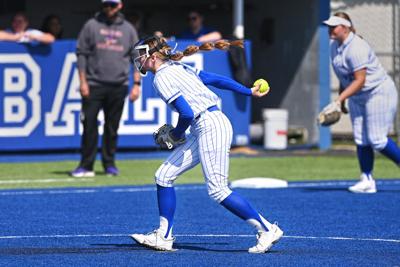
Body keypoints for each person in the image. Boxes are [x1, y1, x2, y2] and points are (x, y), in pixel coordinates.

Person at [129, 36, 283, 253]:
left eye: (141, 57)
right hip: (205, 125)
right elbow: (213, 78)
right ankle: (163, 237)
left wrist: (175, 134)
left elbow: (186, 113)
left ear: (153, 57)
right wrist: (247, 91)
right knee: (163, 176)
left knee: (218, 190)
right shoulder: (177, 66)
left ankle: (267, 229)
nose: (138, 61)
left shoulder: (161, 77)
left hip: (209, 125)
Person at [323, 12, 400, 193]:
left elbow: (360, 80)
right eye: (329, 26)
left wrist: (339, 99)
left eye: (334, 26)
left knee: (377, 140)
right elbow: (345, 78)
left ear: (345, 27)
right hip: (358, 96)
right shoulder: (335, 47)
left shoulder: (356, 46)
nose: (330, 29)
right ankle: (366, 179)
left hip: (377, 92)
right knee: (361, 138)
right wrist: (342, 103)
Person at [70, 0, 141, 177]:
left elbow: (137, 58)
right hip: (94, 84)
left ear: (120, 6)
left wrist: (137, 84)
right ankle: (86, 165)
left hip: (119, 85)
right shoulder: (91, 25)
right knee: (89, 124)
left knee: (112, 127)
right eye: (106, 5)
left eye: (112, 5)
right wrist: (83, 82)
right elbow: (81, 54)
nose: (108, 8)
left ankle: (109, 164)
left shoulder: (128, 29)